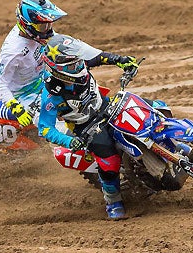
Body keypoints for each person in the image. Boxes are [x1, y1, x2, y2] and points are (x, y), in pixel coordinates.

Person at [0, 0, 137, 127]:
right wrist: (15, 107)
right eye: (43, 26)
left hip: (45, 79)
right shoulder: (13, 51)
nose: (48, 30)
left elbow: (75, 49)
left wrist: (115, 59)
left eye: (49, 24)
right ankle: (65, 150)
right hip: (24, 95)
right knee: (55, 124)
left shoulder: (39, 32)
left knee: (84, 91)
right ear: (26, 24)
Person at [37, 33, 139, 220]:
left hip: (106, 106)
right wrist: (69, 141)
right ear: (57, 68)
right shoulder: (51, 95)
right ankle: (113, 201)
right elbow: (44, 128)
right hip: (86, 126)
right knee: (110, 162)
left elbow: (98, 57)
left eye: (77, 60)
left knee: (149, 109)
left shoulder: (80, 65)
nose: (78, 65)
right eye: (72, 64)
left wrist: (121, 60)